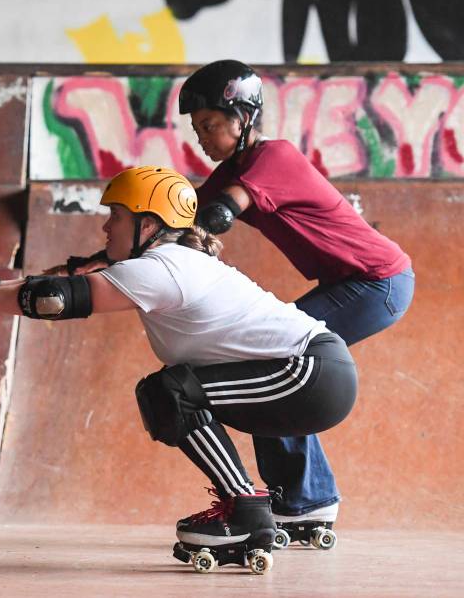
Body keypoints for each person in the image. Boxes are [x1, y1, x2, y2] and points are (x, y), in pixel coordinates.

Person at [0, 166, 358, 573]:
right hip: (311, 375)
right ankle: (271, 506)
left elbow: (57, 299)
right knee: (170, 392)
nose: (106, 226)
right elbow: (56, 286)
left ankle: (246, 512)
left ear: (148, 225)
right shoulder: (164, 261)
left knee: (170, 393)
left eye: (117, 216)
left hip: (311, 375)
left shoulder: (164, 269)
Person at [56, 60, 413, 547]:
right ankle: (303, 499)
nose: (201, 138)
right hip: (351, 281)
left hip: (380, 280)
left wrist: (194, 228)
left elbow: (219, 214)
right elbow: (170, 227)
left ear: (244, 117)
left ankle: (308, 499)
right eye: (196, 128)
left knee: (280, 359)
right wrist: (90, 264)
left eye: (209, 125)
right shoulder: (231, 170)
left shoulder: (274, 157)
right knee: (266, 373)